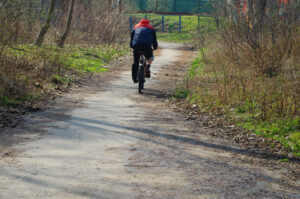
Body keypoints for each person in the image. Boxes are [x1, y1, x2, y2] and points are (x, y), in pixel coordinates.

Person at [130, 19, 158, 83]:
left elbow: (132, 38)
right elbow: (154, 40)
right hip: (147, 46)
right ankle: (147, 67)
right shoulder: (151, 28)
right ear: (148, 23)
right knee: (150, 57)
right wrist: (155, 47)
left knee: (135, 62)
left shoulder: (136, 27)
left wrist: (132, 46)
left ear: (140, 22)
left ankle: (134, 78)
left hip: (136, 46)